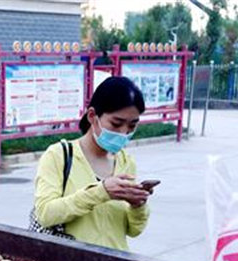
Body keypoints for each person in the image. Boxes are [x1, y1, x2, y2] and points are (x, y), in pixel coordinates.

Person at [32, 76, 151, 250]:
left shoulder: (126, 162)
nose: (123, 132)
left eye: (132, 126)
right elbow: (45, 214)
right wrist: (101, 192)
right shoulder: (59, 155)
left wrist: (138, 205)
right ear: (92, 116)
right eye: (116, 123)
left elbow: (133, 230)